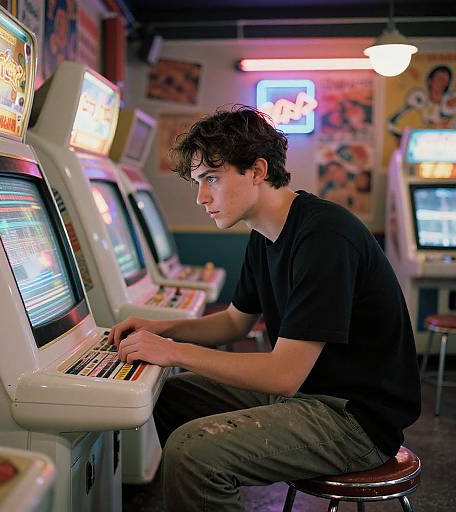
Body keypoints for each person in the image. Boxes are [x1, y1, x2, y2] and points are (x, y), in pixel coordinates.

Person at [109, 106, 421, 512]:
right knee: (169, 395)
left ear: (257, 170)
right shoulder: (264, 233)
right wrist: (160, 328)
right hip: (310, 397)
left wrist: (170, 352)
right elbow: (235, 323)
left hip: (355, 421)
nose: (202, 197)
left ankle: (212, 477)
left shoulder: (324, 237)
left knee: (192, 453)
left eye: (212, 179)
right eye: (199, 182)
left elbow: (283, 375)